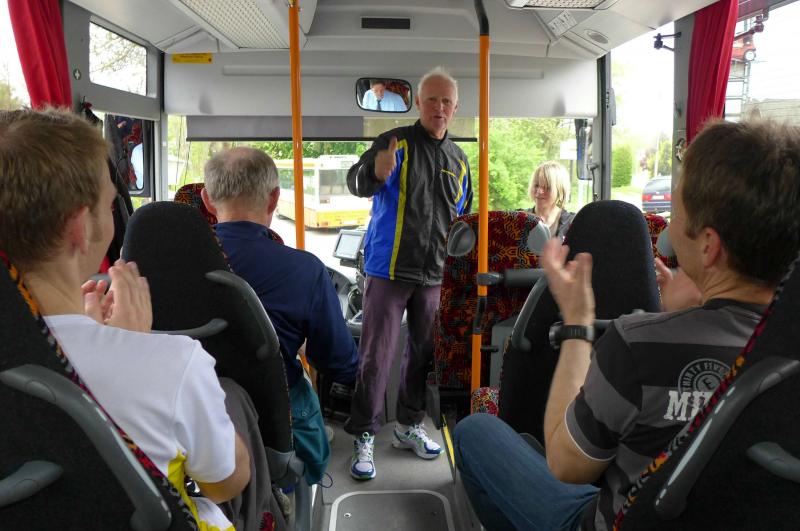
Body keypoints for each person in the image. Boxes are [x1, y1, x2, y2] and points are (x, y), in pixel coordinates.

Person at [454, 119, 800, 531]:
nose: (668, 228)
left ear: (708, 246)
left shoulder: (638, 344)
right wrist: (696, 308)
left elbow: (566, 465)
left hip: (616, 521)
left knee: (475, 430)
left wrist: (578, 324)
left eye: (678, 213)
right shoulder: (785, 350)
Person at [0, 108, 256, 530]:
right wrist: (132, 349)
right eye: (108, 205)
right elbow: (225, 484)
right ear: (80, 227)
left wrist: (102, 342)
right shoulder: (172, 363)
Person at [201, 146, 360, 486]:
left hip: (192, 419)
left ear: (207, 200)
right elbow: (339, 363)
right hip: (275, 421)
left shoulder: (163, 272)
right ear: (274, 199)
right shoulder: (306, 270)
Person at [345, 67, 473, 480]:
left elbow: (462, 218)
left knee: (422, 354)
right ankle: (365, 434)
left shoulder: (459, 160)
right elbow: (356, 181)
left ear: (455, 108)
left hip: (434, 273)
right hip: (388, 268)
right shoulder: (394, 142)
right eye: (432, 99)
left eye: (447, 101)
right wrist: (374, 172)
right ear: (418, 102)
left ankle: (408, 425)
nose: (439, 107)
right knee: (376, 355)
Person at [526, 160, 575, 238]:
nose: (539, 191)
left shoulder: (574, 223)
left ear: (560, 191)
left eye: (547, 187)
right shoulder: (518, 219)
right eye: (536, 185)